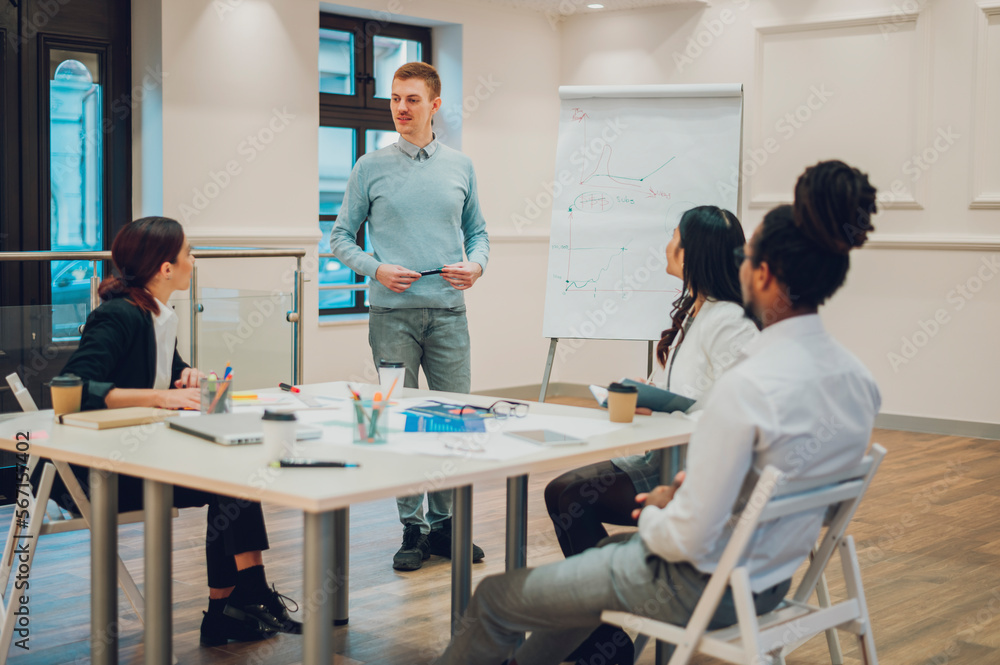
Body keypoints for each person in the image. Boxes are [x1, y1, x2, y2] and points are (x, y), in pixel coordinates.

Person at [434, 159, 882, 665]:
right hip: (770, 582)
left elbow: (685, 537)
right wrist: (696, 492)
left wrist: (657, 509)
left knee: (495, 598)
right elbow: (804, 496)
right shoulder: (859, 383)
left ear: (762, 274)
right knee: (597, 562)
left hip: (697, 587)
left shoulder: (746, 387)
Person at [47, 217, 302, 646]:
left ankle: (226, 612)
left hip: (139, 458)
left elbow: (168, 367)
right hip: (99, 474)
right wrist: (157, 397)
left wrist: (185, 375)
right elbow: (75, 386)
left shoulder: (158, 313)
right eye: (188, 254)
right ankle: (246, 598)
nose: (193, 261)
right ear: (166, 268)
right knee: (229, 476)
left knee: (229, 475)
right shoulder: (118, 315)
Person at [330, 62, 490, 571]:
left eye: (412, 99)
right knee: (400, 420)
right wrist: (376, 270)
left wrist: (477, 265)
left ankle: (445, 527)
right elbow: (338, 238)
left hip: (448, 314)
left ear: (435, 105)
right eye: (395, 99)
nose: (401, 108)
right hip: (391, 316)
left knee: (455, 423)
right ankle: (413, 529)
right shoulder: (369, 167)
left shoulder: (460, 166)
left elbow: (479, 234)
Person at [544, 205, 758, 561]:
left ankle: (601, 595)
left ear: (690, 253)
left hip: (686, 469)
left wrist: (668, 411)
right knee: (562, 493)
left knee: (568, 497)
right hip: (662, 456)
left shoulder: (731, 322)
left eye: (673, 238)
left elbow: (738, 411)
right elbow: (690, 389)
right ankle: (600, 596)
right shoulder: (696, 309)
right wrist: (652, 393)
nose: (666, 246)